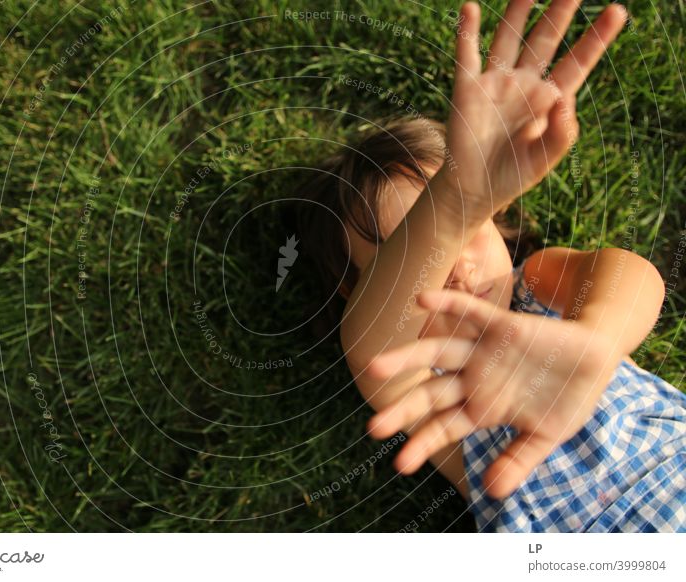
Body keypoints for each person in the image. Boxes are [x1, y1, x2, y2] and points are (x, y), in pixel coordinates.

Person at [294, 0, 686, 531]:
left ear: (498, 222)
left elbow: (629, 276)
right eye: (404, 253)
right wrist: (454, 201)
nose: (452, 266)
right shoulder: (421, 384)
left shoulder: (535, 287)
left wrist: (598, 338)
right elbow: (371, 345)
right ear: (360, 292)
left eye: (466, 229)